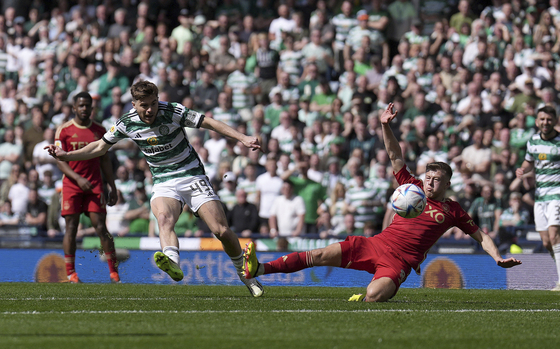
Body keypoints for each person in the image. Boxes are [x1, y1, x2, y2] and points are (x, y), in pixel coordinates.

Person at [243, 103, 521, 302]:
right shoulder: (412, 187)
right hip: (375, 243)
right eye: (428, 176)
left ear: (447, 184)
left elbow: (480, 235)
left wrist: (497, 257)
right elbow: (394, 156)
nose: (430, 182)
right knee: (318, 255)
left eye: (437, 179)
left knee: (375, 296)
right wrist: (384, 125)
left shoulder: (453, 210)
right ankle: (260, 269)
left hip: (399, 262)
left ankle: (364, 296)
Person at [45, 81, 263, 297]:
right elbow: (100, 146)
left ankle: (245, 274)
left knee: (220, 230)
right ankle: (173, 263)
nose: (149, 110)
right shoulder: (126, 122)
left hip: (191, 174)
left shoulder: (173, 111)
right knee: (164, 219)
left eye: (153, 103)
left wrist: (242, 138)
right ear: (134, 104)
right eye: (144, 105)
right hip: (163, 181)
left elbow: (210, 123)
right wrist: (66, 155)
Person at [51, 92, 121, 284]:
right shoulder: (63, 130)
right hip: (72, 185)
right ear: (74, 108)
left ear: (92, 108)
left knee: (101, 227)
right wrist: (77, 178)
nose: (84, 109)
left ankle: (114, 273)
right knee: (71, 228)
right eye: (80, 105)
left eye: (87, 106)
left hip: (95, 184)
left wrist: (112, 186)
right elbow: (59, 159)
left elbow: (105, 159)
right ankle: (71, 273)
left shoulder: (100, 130)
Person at [515, 106, 560, 291]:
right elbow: (529, 161)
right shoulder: (533, 141)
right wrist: (523, 170)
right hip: (540, 197)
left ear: (555, 121)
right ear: (536, 121)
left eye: (549, 119)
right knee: (546, 242)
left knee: (554, 236)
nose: (545, 123)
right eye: (542, 119)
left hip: (557, 194)